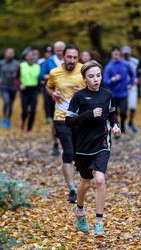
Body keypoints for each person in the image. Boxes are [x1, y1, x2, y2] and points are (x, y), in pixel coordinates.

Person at [65, 60, 121, 236]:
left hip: (102, 143)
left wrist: (116, 126)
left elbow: (112, 115)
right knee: (85, 183)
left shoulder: (107, 95)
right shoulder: (79, 97)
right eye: (91, 76)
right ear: (84, 78)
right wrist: (89, 114)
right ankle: (80, 211)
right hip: (83, 146)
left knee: (99, 180)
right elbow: (69, 121)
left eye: (98, 75)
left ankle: (99, 221)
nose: (96, 79)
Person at [46, 44, 86, 203]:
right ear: (63, 56)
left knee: (77, 153)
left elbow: (93, 90)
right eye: (69, 57)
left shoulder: (84, 70)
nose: (72, 60)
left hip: (79, 118)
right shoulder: (55, 72)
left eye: (75, 57)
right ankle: (72, 189)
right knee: (68, 151)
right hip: (61, 118)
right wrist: (53, 94)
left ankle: (80, 183)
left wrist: (81, 94)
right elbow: (48, 87)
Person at [41, 41, 66, 156]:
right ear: (54, 50)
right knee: (55, 119)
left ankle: (67, 143)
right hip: (52, 93)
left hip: (67, 93)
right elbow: (41, 75)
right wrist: (53, 76)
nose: (60, 52)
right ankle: (55, 143)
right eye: (57, 50)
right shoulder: (49, 61)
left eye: (61, 49)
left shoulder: (70, 60)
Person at [103, 46, 135, 134]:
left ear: (119, 54)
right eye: (114, 54)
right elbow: (105, 81)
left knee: (124, 112)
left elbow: (132, 75)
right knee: (114, 114)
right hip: (113, 94)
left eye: (117, 54)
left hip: (124, 93)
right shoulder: (109, 67)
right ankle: (117, 129)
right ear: (112, 55)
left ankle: (123, 123)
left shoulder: (125, 64)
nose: (116, 56)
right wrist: (113, 79)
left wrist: (130, 84)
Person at [19, 49, 41, 136]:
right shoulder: (21, 65)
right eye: (29, 56)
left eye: (32, 56)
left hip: (34, 90)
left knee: (33, 111)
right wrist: (20, 85)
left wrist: (41, 83)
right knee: (25, 111)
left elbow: (40, 78)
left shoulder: (38, 66)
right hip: (24, 90)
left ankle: (29, 129)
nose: (31, 57)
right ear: (25, 57)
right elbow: (16, 78)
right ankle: (23, 120)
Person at [0, 48, 20, 129]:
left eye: (11, 53)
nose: (9, 54)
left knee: (11, 104)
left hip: (13, 87)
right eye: (8, 52)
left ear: (13, 54)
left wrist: (18, 80)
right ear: (5, 54)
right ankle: (4, 118)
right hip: (4, 86)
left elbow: (20, 75)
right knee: (7, 102)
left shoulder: (17, 64)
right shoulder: (1, 63)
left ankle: (8, 119)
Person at [122, 45, 141, 133]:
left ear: (130, 53)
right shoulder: (119, 62)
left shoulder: (135, 61)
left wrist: (137, 79)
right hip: (122, 87)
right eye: (125, 54)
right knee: (123, 108)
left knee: (133, 107)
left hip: (132, 87)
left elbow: (139, 73)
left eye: (127, 53)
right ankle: (122, 125)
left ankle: (130, 122)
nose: (126, 55)